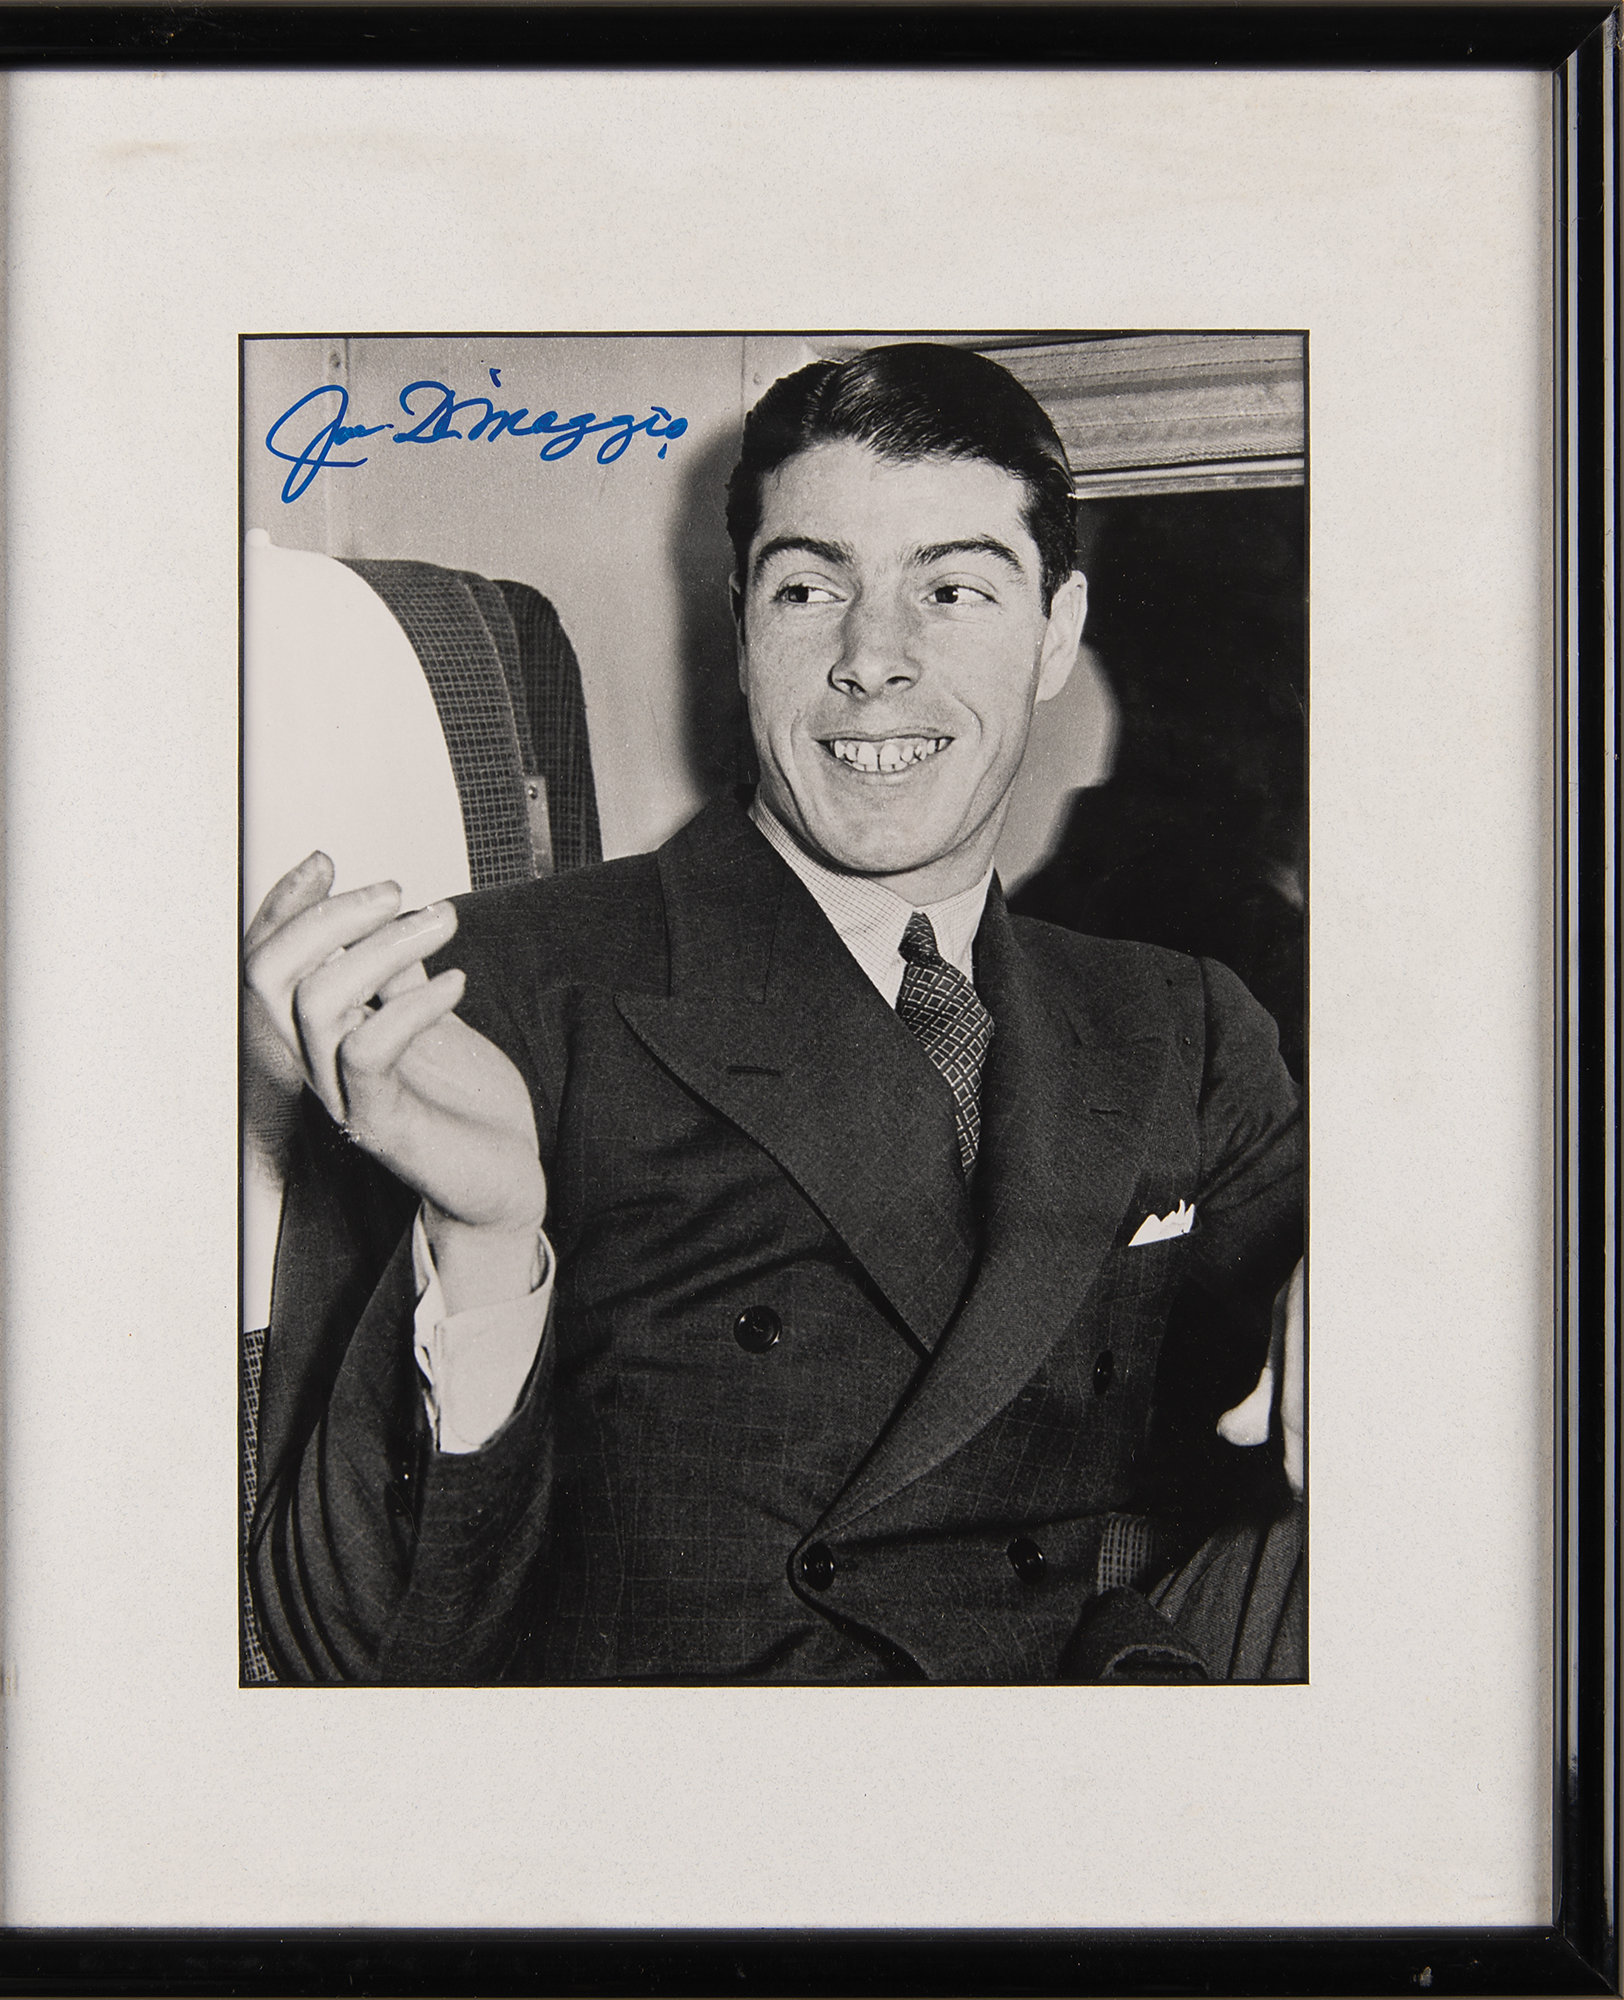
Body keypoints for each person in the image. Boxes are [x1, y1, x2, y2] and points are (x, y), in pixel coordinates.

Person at [244, 343, 1305, 1685]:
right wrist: (485, 1240)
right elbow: (336, 1657)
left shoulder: (1181, 1024)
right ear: (741, 626)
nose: (874, 660)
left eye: (954, 590)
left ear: (1056, 633)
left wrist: (1380, 1281)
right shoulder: (477, 997)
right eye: (810, 588)